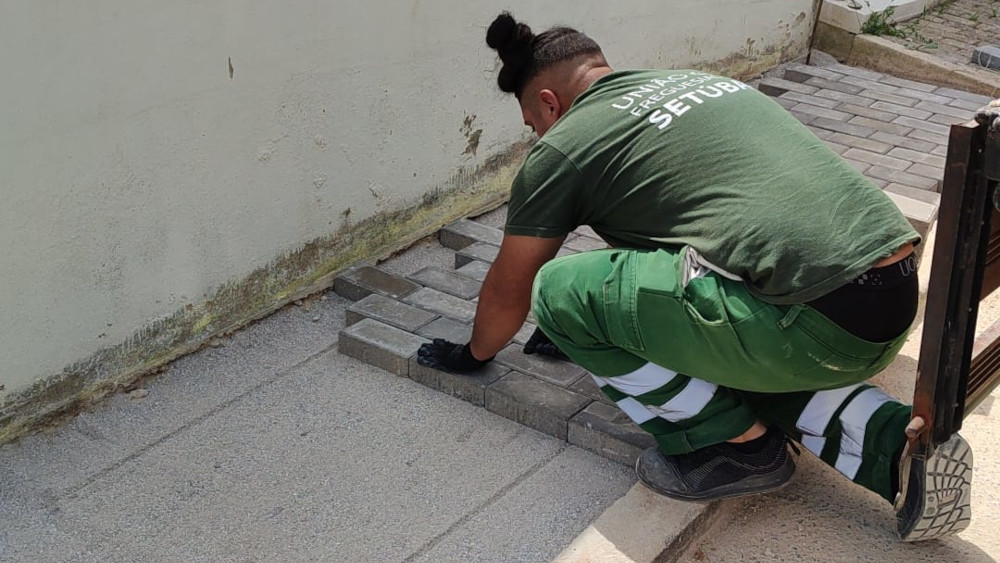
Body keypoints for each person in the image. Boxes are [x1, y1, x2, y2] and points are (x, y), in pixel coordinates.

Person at [417, 11, 985, 542]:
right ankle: (897, 453)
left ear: (548, 101)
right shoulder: (697, 82)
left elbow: (510, 287)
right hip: (884, 303)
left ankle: (732, 450)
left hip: (808, 321)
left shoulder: (565, 145)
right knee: (719, 354)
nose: (537, 137)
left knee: (558, 293)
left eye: (532, 124)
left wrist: (475, 353)